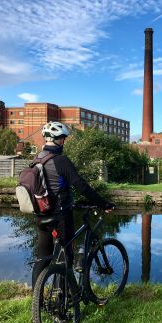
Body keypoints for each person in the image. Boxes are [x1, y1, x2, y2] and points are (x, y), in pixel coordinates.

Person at [32, 121, 115, 289]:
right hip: (61, 214)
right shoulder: (60, 160)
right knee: (66, 256)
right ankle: (62, 300)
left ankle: (37, 301)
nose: (64, 142)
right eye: (62, 139)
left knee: (42, 259)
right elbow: (81, 186)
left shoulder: (37, 159)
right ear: (55, 140)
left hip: (41, 214)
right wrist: (103, 203)